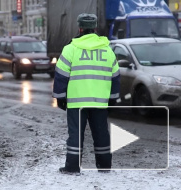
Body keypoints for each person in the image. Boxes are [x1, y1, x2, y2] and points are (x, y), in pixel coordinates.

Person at [52, 13, 120, 174]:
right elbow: (115, 77)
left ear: (80, 28)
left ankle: (72, 167)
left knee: (75, 135)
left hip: (77, 102)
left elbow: (61, 75)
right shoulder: (107, 50)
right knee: (101, 134)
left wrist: (60, 98)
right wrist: (113, 98)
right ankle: (104, 166)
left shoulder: (70, 49)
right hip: (100, 101)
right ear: (95, 28)